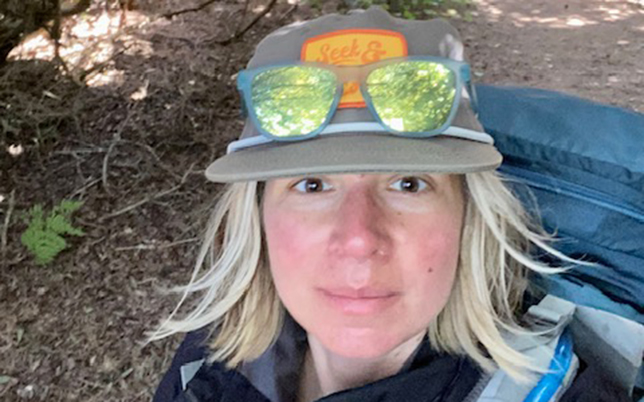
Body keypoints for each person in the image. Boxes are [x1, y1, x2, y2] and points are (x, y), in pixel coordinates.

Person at [148, 6, 633, 402]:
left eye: (408, 184)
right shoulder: (207, 363)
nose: (359, 238)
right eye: (313, 185)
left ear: (470, 217)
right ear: (257, 220)